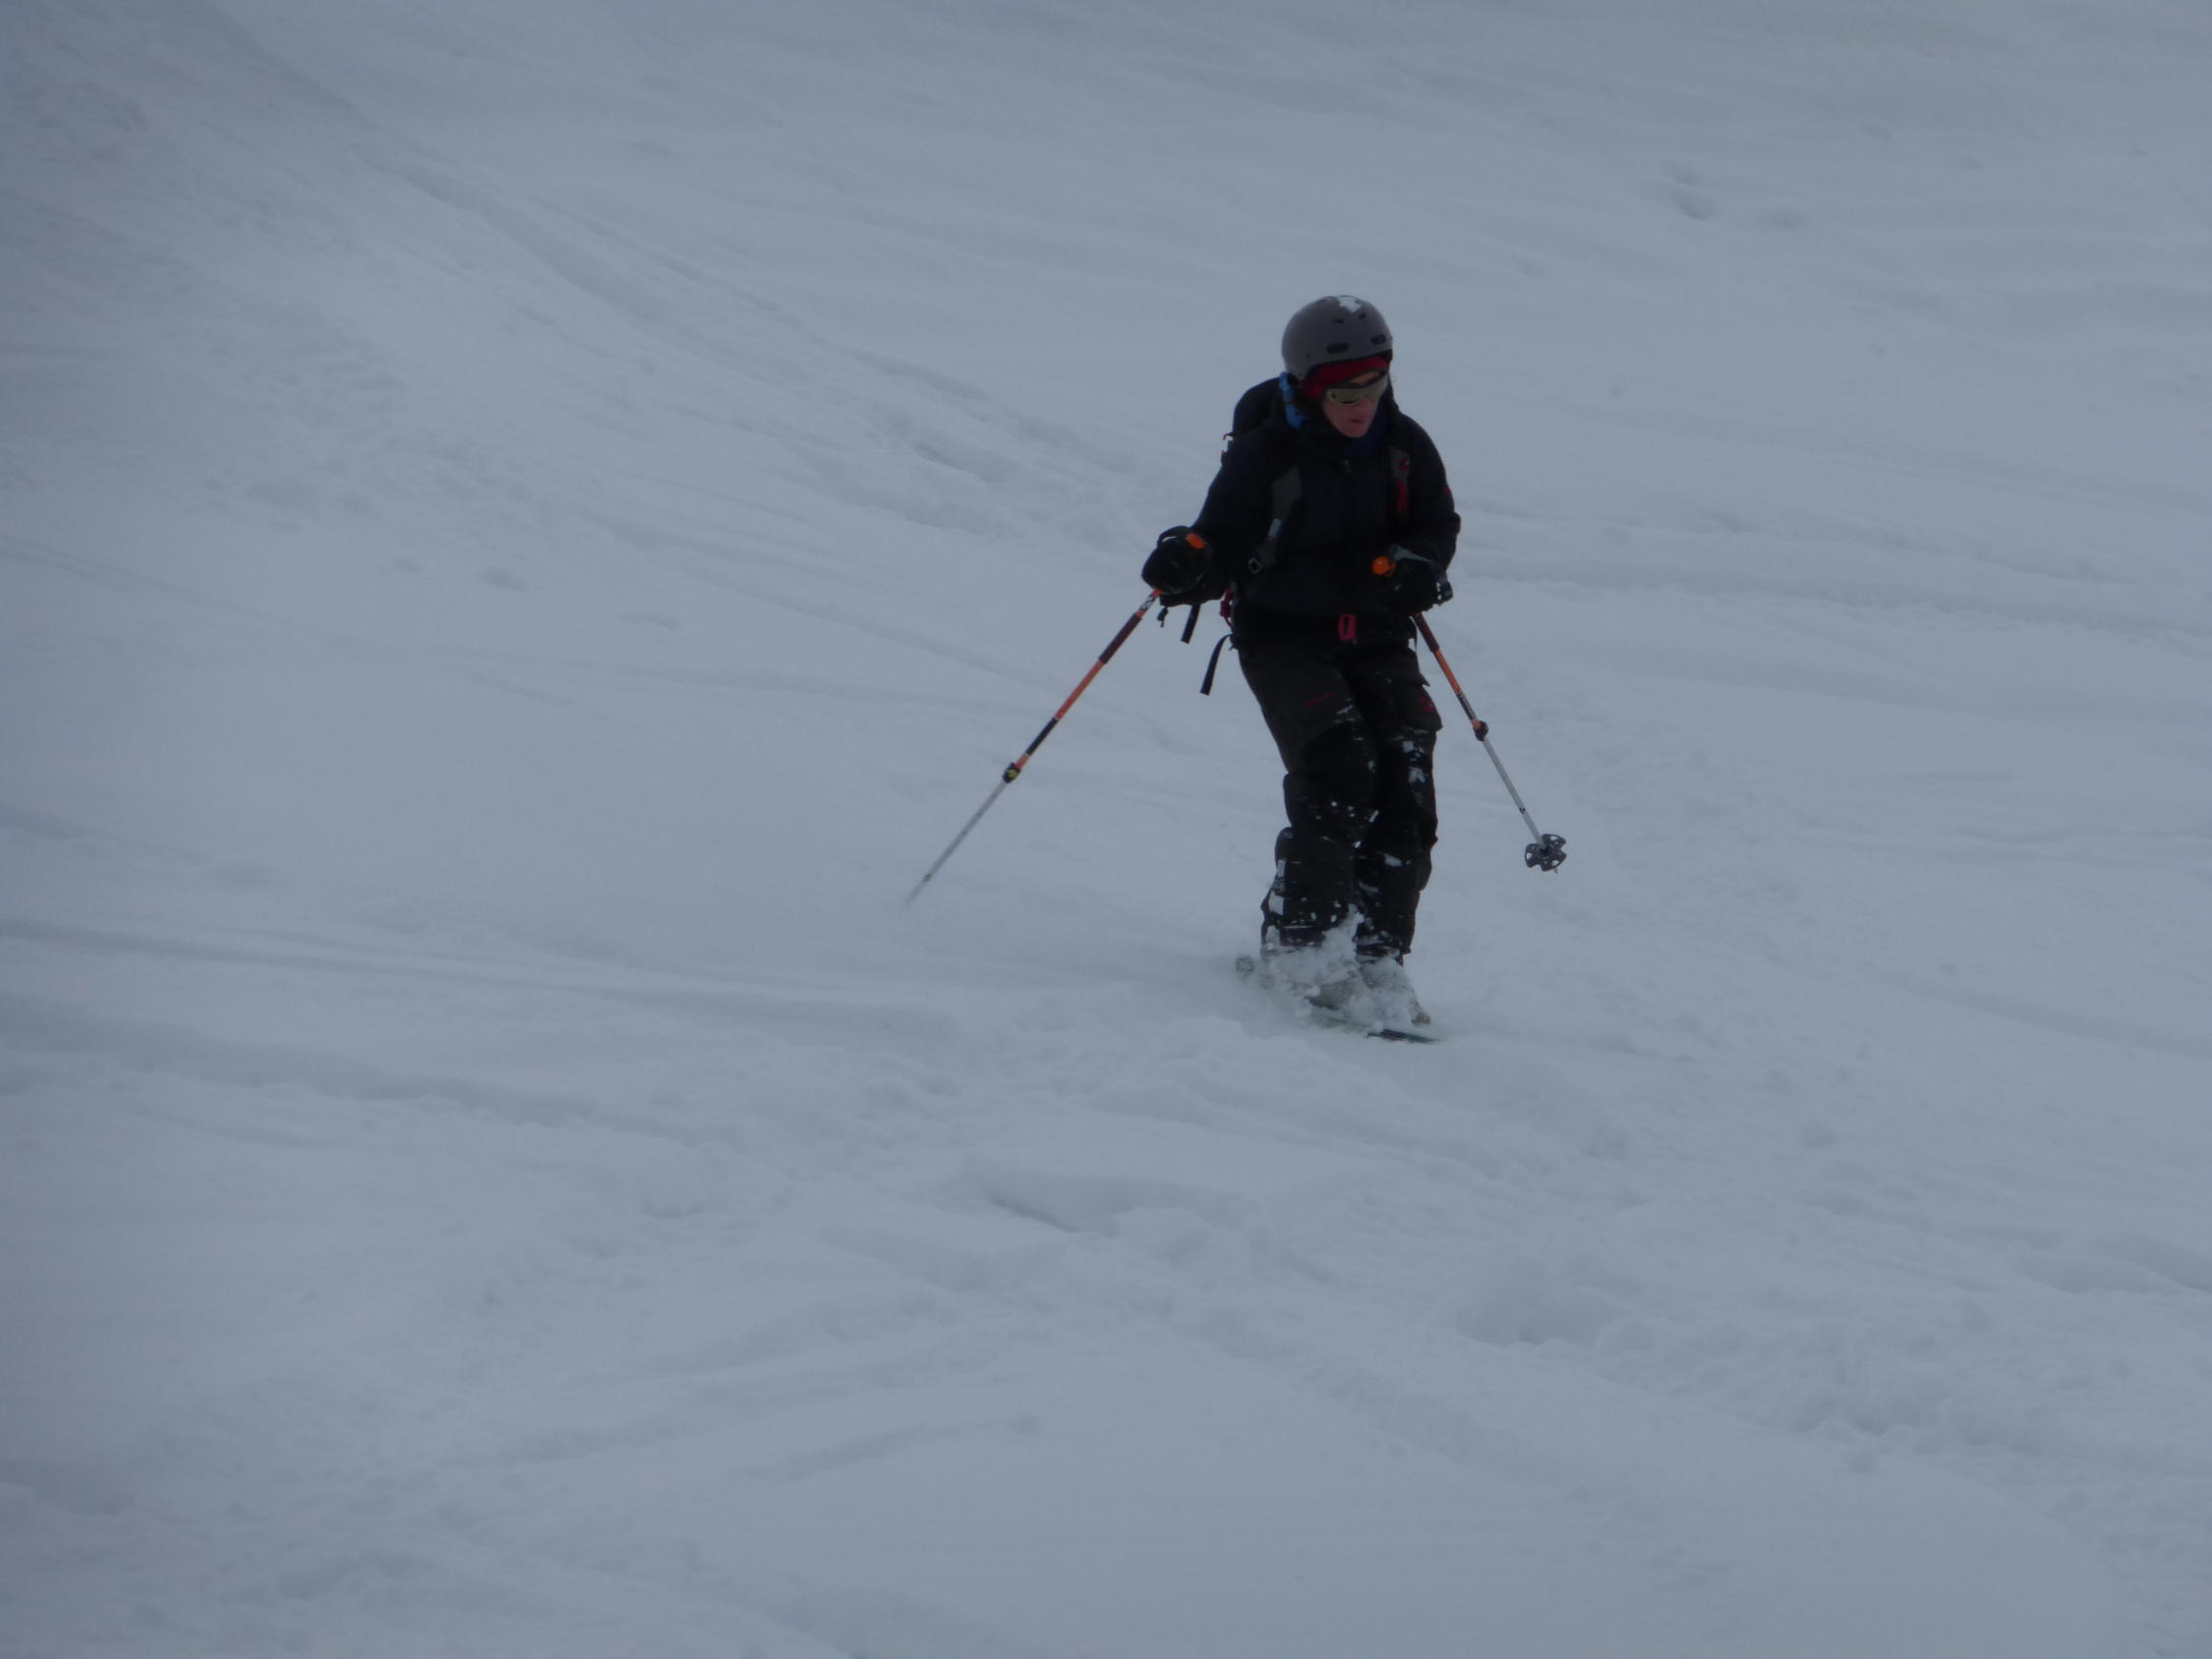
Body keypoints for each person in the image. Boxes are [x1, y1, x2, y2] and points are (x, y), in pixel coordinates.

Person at [1143, 295, 1460, 1028]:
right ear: (1310, 389)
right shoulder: (1267, 454)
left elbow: (1436, 524)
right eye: (1344, 394)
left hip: (1377, 635)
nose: (1361, 406)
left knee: (1408, 774)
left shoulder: (1406, 446)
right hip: (1284, 637)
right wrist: (1187, 567)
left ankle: (1378, 953)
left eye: (1374, 387)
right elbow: (1221, 542)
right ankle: (1303, 946)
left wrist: (1419, 565)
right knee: (1341, 768)